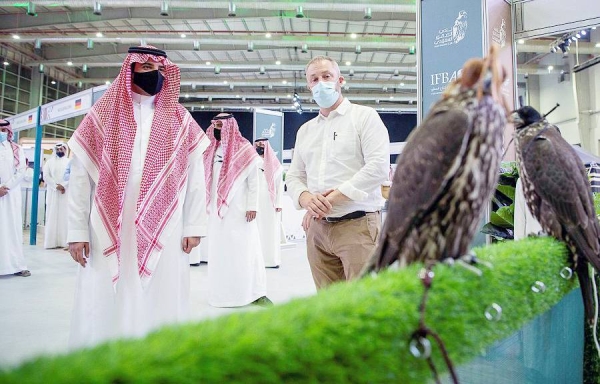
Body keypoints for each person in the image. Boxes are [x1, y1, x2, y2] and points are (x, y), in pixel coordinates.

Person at [67, 46, 209, 349]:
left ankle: (158, 355)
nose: (153, 74)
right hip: (108, 221)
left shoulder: (179, 119)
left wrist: (195, 225)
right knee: (105, 293)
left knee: (161, 291)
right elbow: (80, 178)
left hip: (166, 224)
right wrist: (76, 231)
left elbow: (196, 178)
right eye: (144, 68)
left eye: (157, 68)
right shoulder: (104, 113)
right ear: (129, 70)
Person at [285, 55, 390, 290]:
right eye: (314, 79)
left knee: (365, 303)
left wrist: (331, 199)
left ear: (339, 80)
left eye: (326, 76)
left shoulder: (364, 117)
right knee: (329, 305)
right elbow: (294, 176)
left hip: (358, 226)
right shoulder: (306, 130)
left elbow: (378, 167)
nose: (320, 82)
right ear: (309, 86)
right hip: (317, 230)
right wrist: (306, 198)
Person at [204, 113, 271, 307]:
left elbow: (253, 182)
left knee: (245, 251)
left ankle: (252, 293)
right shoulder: (211, 150)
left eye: (220, 125)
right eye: (214, 125)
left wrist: (252, 206)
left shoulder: (244, 150)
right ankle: (222, 294)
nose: (217, 129)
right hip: (217, 214)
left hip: (241, 212)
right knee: (220, 253)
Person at [0, 119, 30, 277]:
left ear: (9, 132)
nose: (2, 133)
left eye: (4, 131)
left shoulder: (16, 149)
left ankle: (16, 265)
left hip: (11, 195)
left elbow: (21, 170)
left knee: (12, 228)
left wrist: (7, 187)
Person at [254, 138, 284, 268]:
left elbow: (279, 186)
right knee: (256, 231)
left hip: (270, 204)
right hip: (255, 203)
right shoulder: (253, 162)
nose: (259, 147)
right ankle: (256, 260)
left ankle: (271, 260)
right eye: (257, 145)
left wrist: (279, 203)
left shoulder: (275, 165)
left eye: (262, 145)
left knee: (270, 232)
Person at [43, 142, 70, 249]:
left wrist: (63, 186)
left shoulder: (69, 162)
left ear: (65, 150)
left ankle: (64, 242)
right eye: (58, 150)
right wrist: (56, 186)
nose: (60, 151)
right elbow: (46, 176)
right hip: (53, 192)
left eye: (62, 150)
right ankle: (51, 242)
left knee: (65, 216)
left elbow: (71, 175)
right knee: (52, 215)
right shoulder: (49, 162)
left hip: (65, 192)